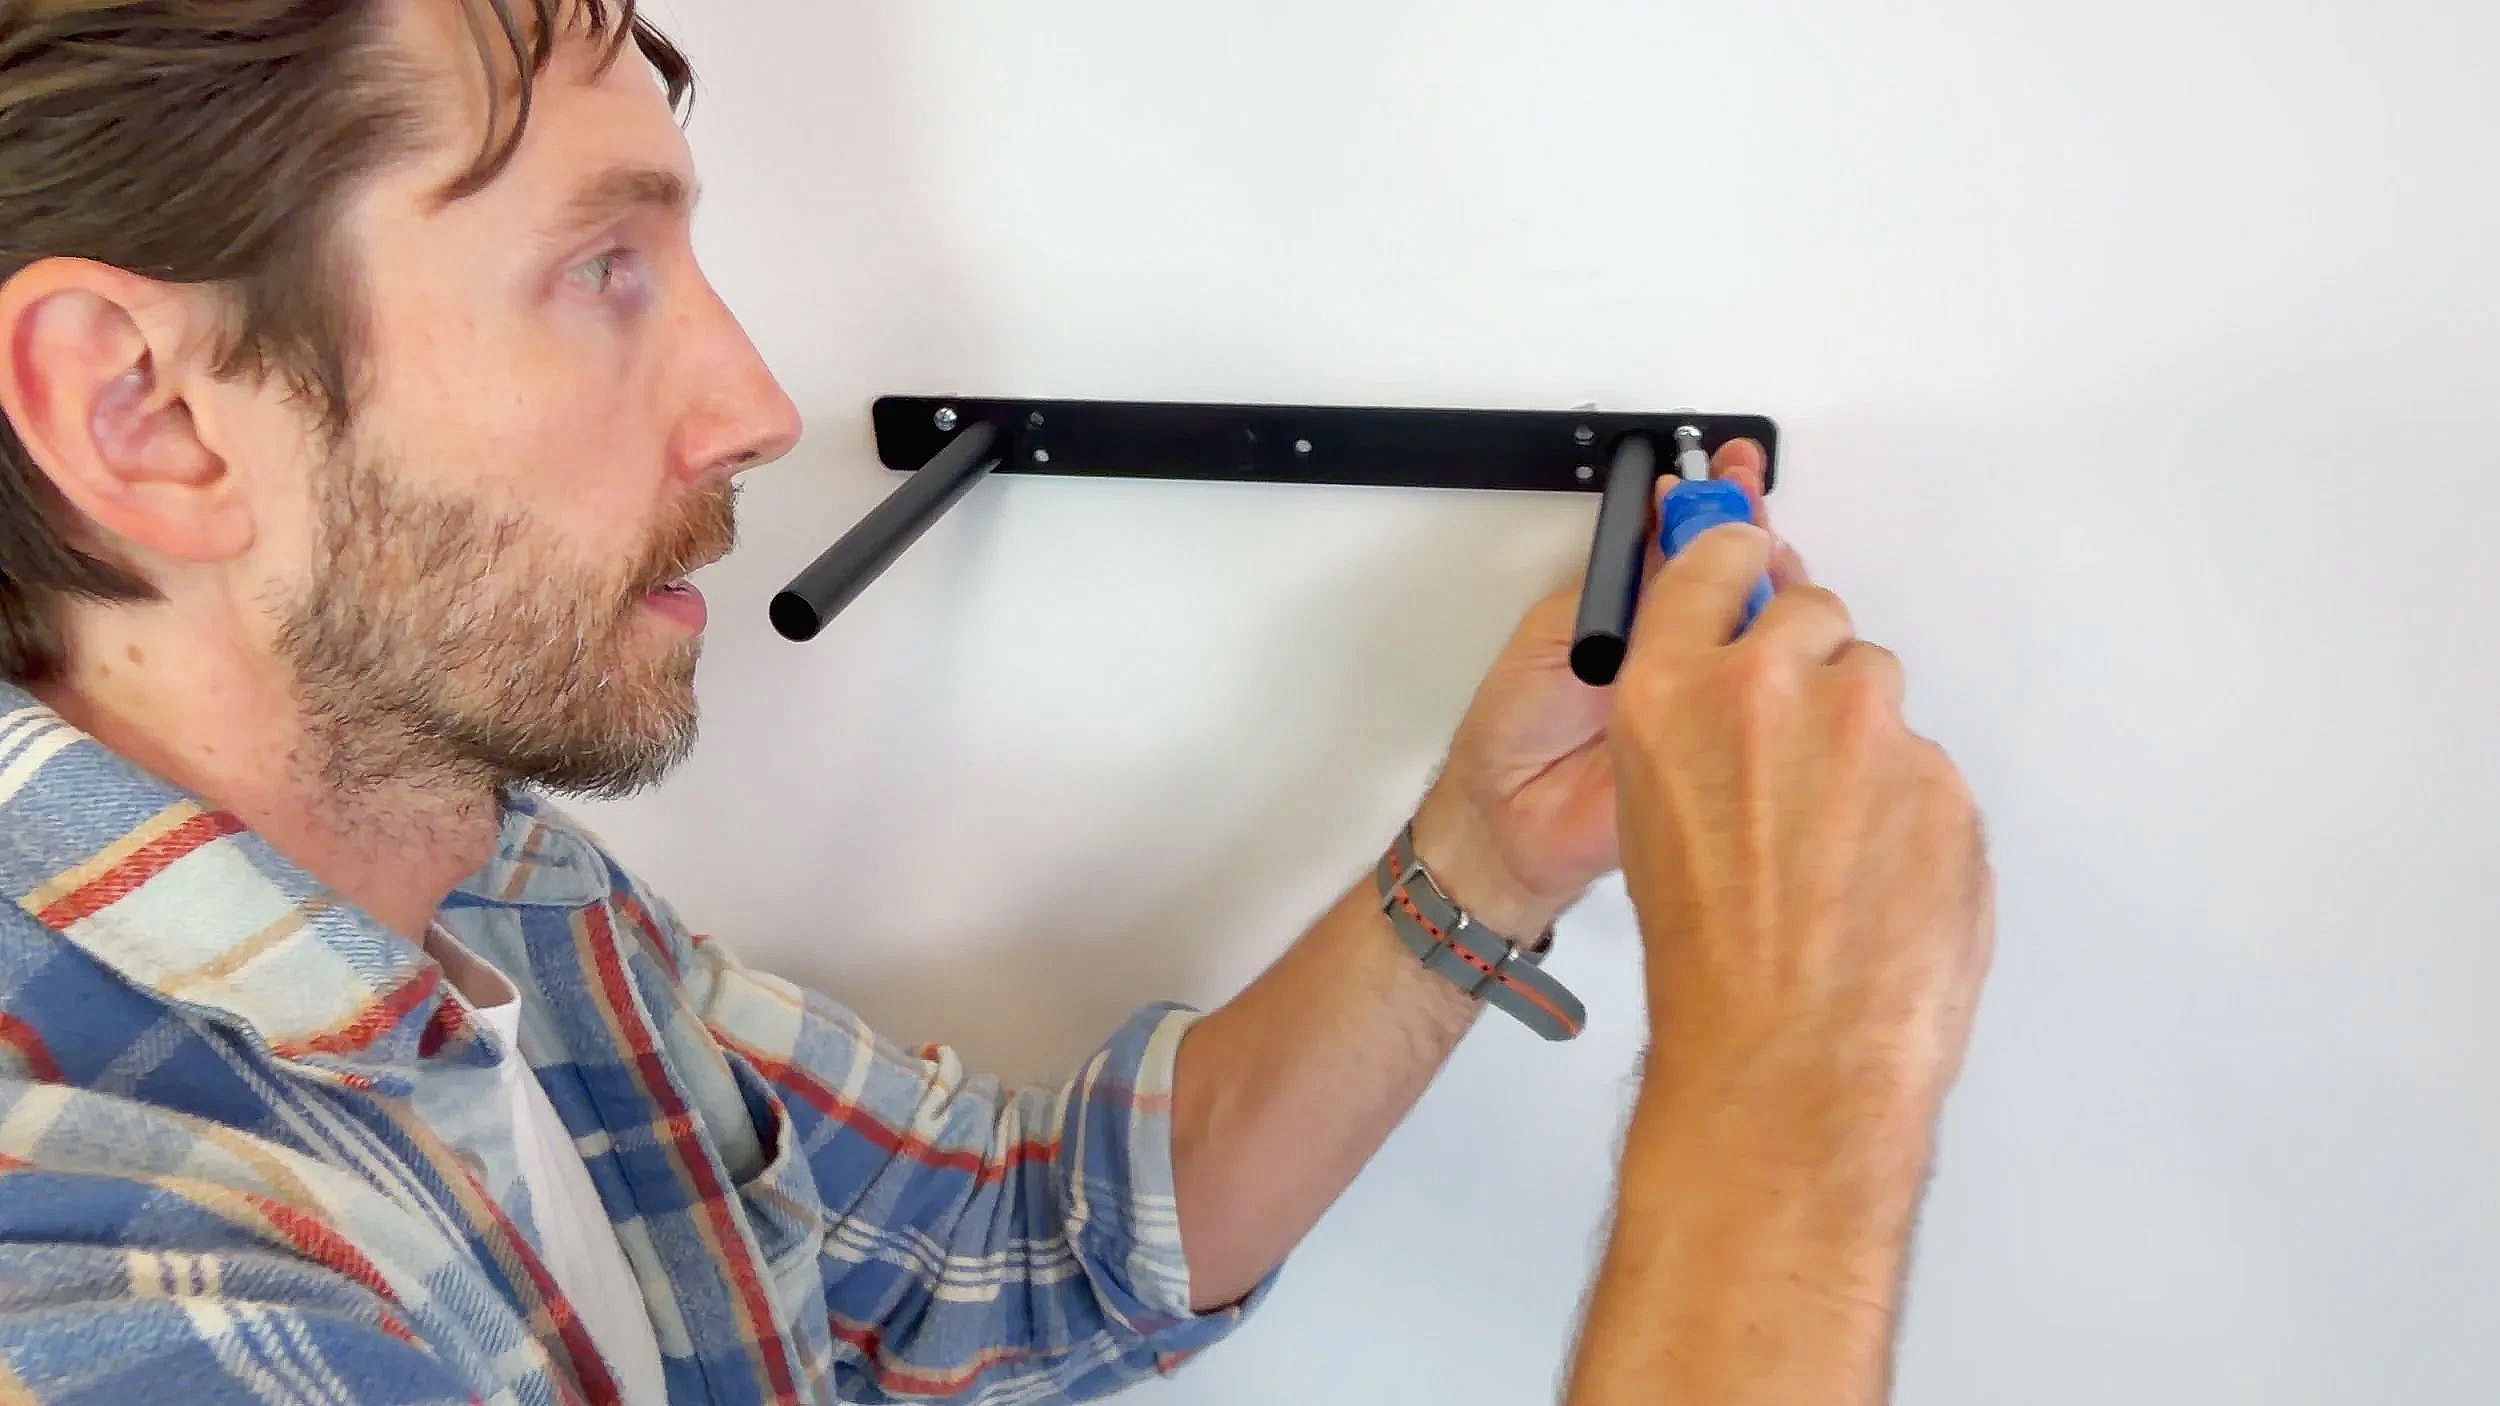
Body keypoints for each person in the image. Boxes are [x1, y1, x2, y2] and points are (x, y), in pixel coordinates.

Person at [0, 2, 1991, 1404]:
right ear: (142, 412)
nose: (754, 406)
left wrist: (1476, 860)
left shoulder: (495, 889)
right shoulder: (93, 1278)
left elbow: (1011, 1248)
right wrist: (1791, 1086)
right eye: (599, 267)